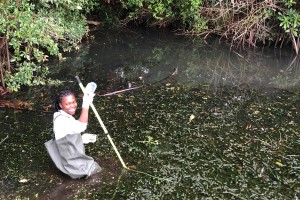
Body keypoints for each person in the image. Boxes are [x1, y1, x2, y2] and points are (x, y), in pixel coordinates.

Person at [45, 85, 101, 179]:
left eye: (74, 102)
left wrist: (81, 139)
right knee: (98, 172)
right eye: (68, 104)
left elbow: (68, 133)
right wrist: (85, 104)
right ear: (61, 105)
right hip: (74, 165)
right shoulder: (61, 120)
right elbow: (81, 126)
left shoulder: (61, 115)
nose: (72, 106)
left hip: (70, 157)